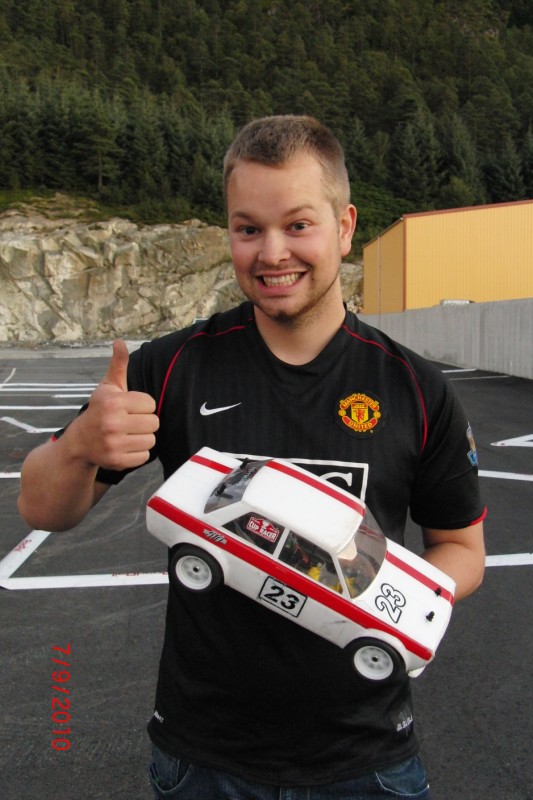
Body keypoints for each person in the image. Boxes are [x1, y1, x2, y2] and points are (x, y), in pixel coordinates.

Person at [18, 115, 486, 799]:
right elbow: (40, 507)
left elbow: (463, 548)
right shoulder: (171, 366)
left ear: (345, 227)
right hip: (204, 759)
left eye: (298, 225)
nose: (272, 253)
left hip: (366, 762)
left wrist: (386, 601)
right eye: (248, 229)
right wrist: (83, 444)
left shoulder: (415, 388)